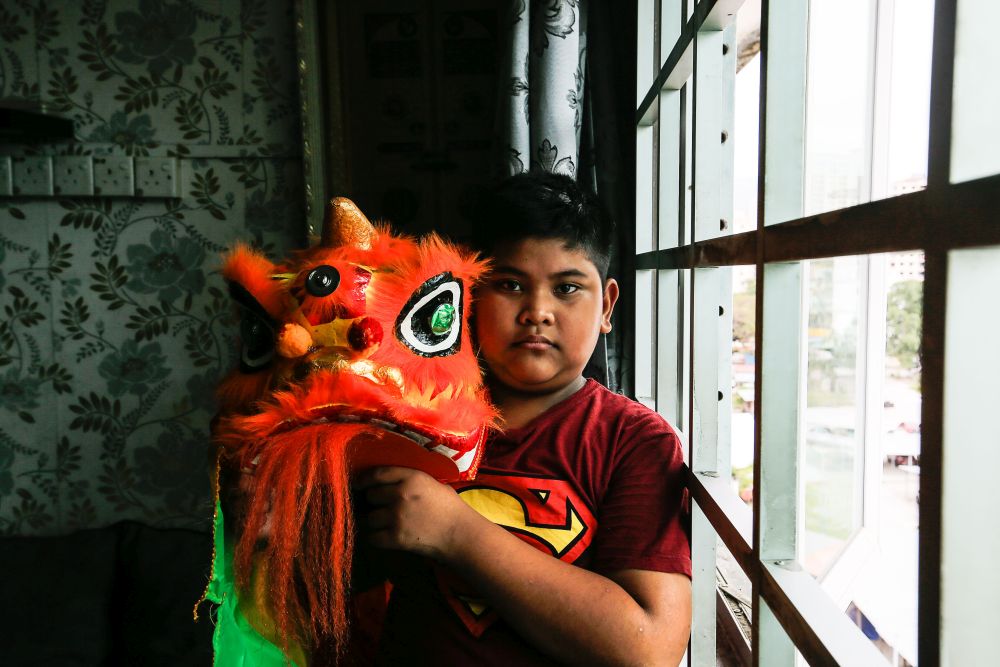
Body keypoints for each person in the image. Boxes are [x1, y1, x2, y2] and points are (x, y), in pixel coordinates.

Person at [354, 170, 692, 665]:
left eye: (567, 288)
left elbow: (647, 649)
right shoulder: (410, 413)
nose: (537, 310)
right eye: (510, 284)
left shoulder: (634, 441)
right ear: (468, 297)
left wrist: (455, 533)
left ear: (608, 305)